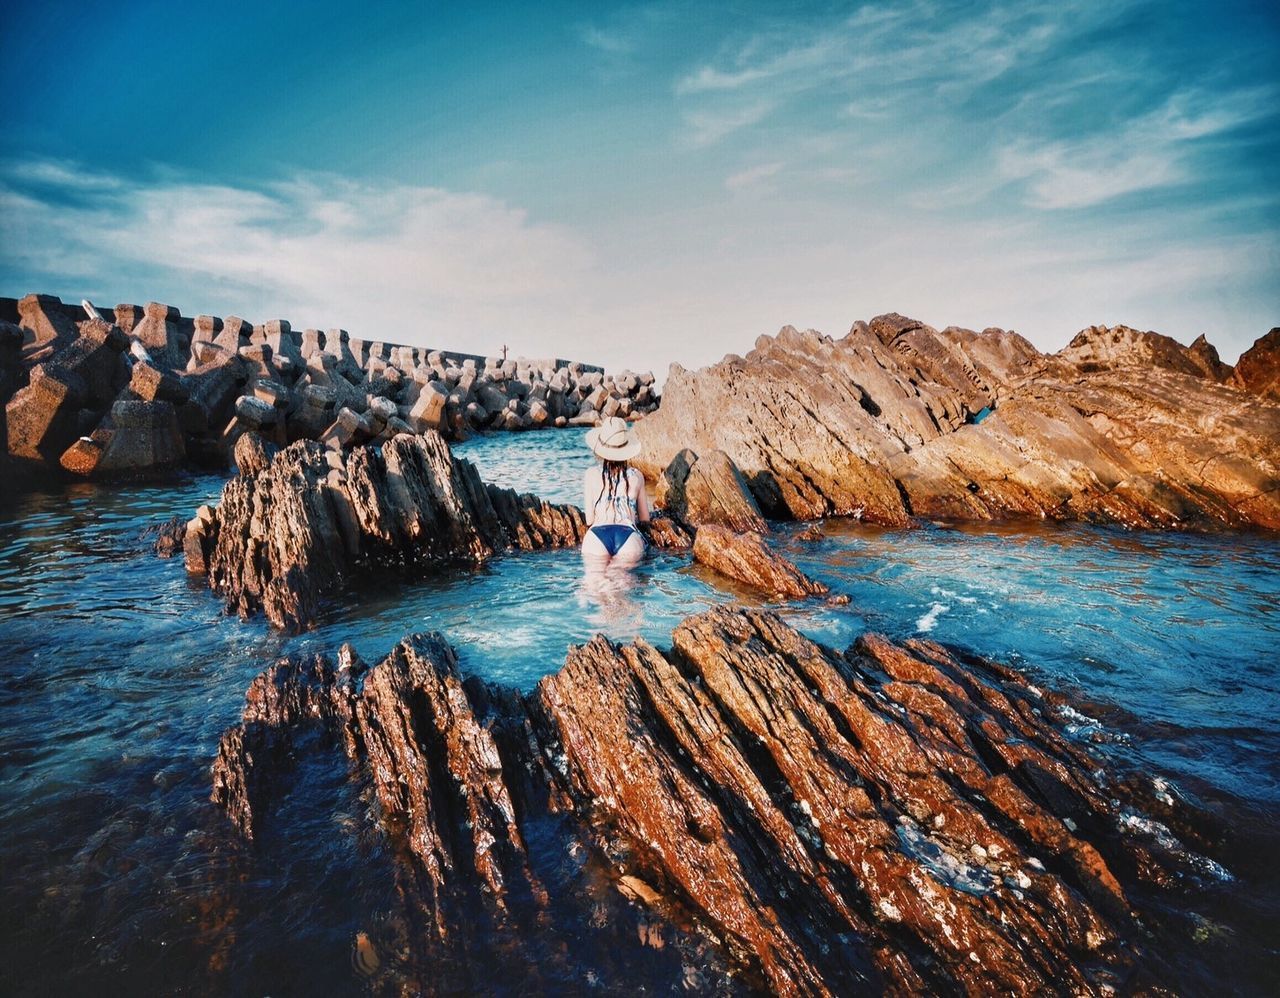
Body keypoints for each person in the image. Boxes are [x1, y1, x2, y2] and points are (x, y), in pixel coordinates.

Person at [581, 416, 650, 570]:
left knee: (592, 589)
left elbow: (589, 519)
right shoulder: (637, 476)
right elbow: (645, 518)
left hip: (596, 536)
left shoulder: (591, 474)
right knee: (621, 589)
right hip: (628, 536)